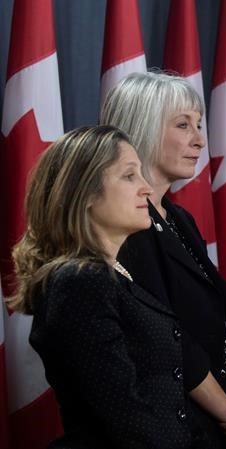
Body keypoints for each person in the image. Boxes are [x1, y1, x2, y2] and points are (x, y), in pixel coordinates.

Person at [8, 125, 213, 448]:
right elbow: (127, 418)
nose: (146, 188)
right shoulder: (80, 282)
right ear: (85, 192)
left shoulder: (110, 275)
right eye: (129, 176)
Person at [100, 72, 226, 449]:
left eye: (199, 124)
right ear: (140, 127)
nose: (199, 139)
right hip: (178, 427)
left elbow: (217, 322)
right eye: (183, 125)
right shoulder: (129, 227)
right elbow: (170, 342)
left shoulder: (180, 219)